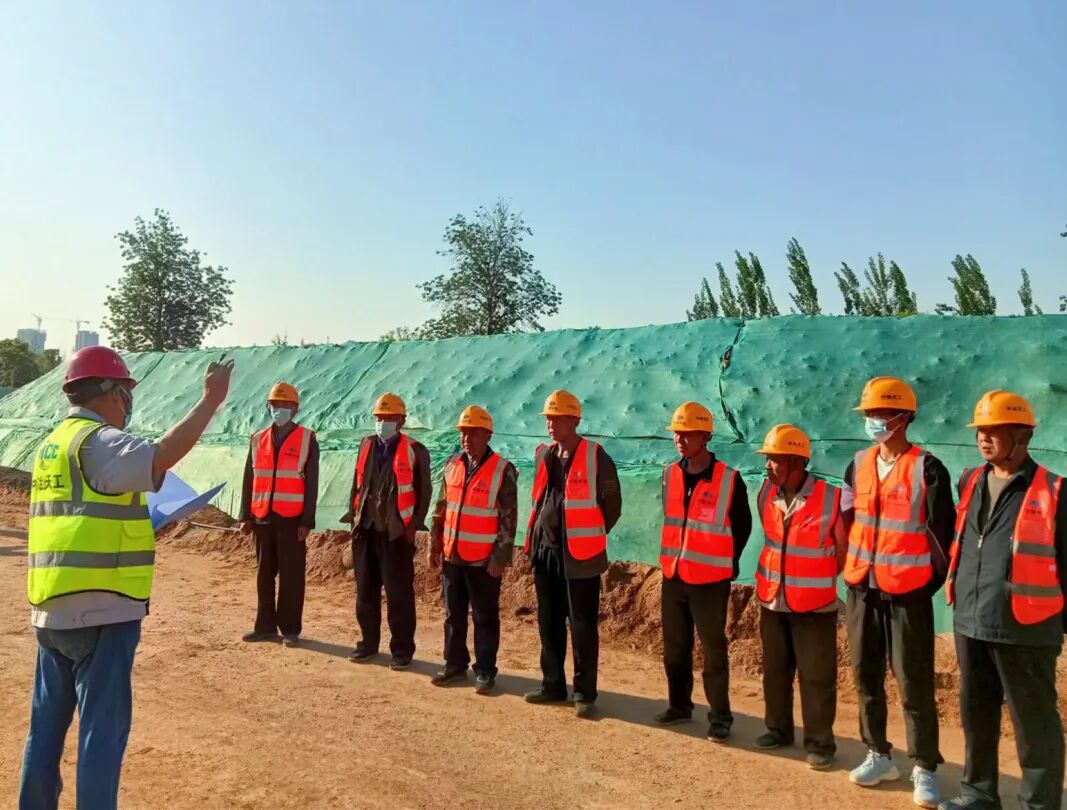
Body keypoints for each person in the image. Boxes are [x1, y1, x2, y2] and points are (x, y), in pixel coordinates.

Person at [19, 346, 233, 810]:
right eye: (126, 393)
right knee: (102, 733)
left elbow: (79, 516)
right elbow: (163, 454)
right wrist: (211, 400)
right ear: (113, 392)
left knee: (45, 730)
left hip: (51, 608)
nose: (128, 404)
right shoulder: (100, 441)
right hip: (102, 609)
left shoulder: (53, 444)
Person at [939, 391, 1066, 810]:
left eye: (994, 430)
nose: (984, 438)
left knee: (1034, 722)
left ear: (1023, 436)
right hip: (971, 619)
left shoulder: (1055, 491)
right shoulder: (970, 480)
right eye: (980, 430)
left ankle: (1040, 804)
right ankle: (978, 793)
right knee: (977, 713)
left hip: (1026, 627)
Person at [842, 376, 955, 808]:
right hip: (862, 587)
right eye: (869, 413)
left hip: (907, 593)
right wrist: (854, 574)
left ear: (904, 417)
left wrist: (924, 585)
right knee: (865, 674)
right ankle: (878, 754)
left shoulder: (928, 468)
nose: (873, 420)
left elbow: (942, 537)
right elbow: (849, 521)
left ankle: (924, 767)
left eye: (881, 413)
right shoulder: (858, 463)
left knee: (913, 681)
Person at [653, 401, 752, 742]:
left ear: (705, 437)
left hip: (710, 580)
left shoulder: (729, 479)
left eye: (688, 434)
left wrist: (725, 561)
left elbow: (742, 527)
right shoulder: (669, 474)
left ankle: (720, 717)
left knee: (713, 651)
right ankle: (679, 706)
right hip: (674, 575)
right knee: (674, 648)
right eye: (676, 433)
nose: (680, 440)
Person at [751, 424, 847, 770]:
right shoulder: (766, 492)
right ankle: (777, 730)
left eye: (775, 459)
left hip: (814, 604)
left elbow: (843, 551)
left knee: (816, 677)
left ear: (797, 462)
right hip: (772, 597)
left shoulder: (831, 498)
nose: (768, 465)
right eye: (767, 459)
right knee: (775, 671)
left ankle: (820, 744)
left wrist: (814, 579)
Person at [522, 390, 622, 719]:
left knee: (582, 627)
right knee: (548, 623)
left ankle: (584, 693)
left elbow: (612, 504)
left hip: (581, 555)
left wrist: (590, 534)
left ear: (575, 421)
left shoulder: (596, 456)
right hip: (546, 551)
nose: (551, 424)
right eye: (548, 418)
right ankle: (552, 685)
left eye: (558, 418)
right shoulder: (544, 454)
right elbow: (540, 498)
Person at [428, 406, 518, 694]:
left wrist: (500, 557)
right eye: (463, 433)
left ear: (487, 435)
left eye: (473, 433)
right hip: (452, 554)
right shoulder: (452, 464)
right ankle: (454, 665)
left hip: (483, 560)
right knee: (453, 615)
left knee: (484, 616)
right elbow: (441, 508)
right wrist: (434, 545)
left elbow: (508, 518)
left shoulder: (502, 470)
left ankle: (485, 670)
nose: (467, 439)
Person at [344, 392, 432, 670]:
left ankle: (402, 651)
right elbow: (357, 484)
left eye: (389, 417)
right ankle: (367, 645)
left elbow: (424, 491)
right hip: (366, 530)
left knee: (399, 596)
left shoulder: (415, 450)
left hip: (396, 534)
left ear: (401, 420)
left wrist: (413, 525)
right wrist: (353, 519)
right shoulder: (366, 445)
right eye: (379, 417)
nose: (383, 422)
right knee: (365, 593)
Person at [238, 382, 319, 647]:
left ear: (295, 409)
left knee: (291, 576)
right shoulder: (257, 439)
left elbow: (312, 482)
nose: (280, 409)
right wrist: (245, 516)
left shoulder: (307, 438)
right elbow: (249, 478)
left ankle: (290, 629)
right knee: (264, 575)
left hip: (292, 519)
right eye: (275, 404)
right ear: (268, 407)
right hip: (262, 516)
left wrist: (307, 520)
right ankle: (264, 627)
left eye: (285, 405)